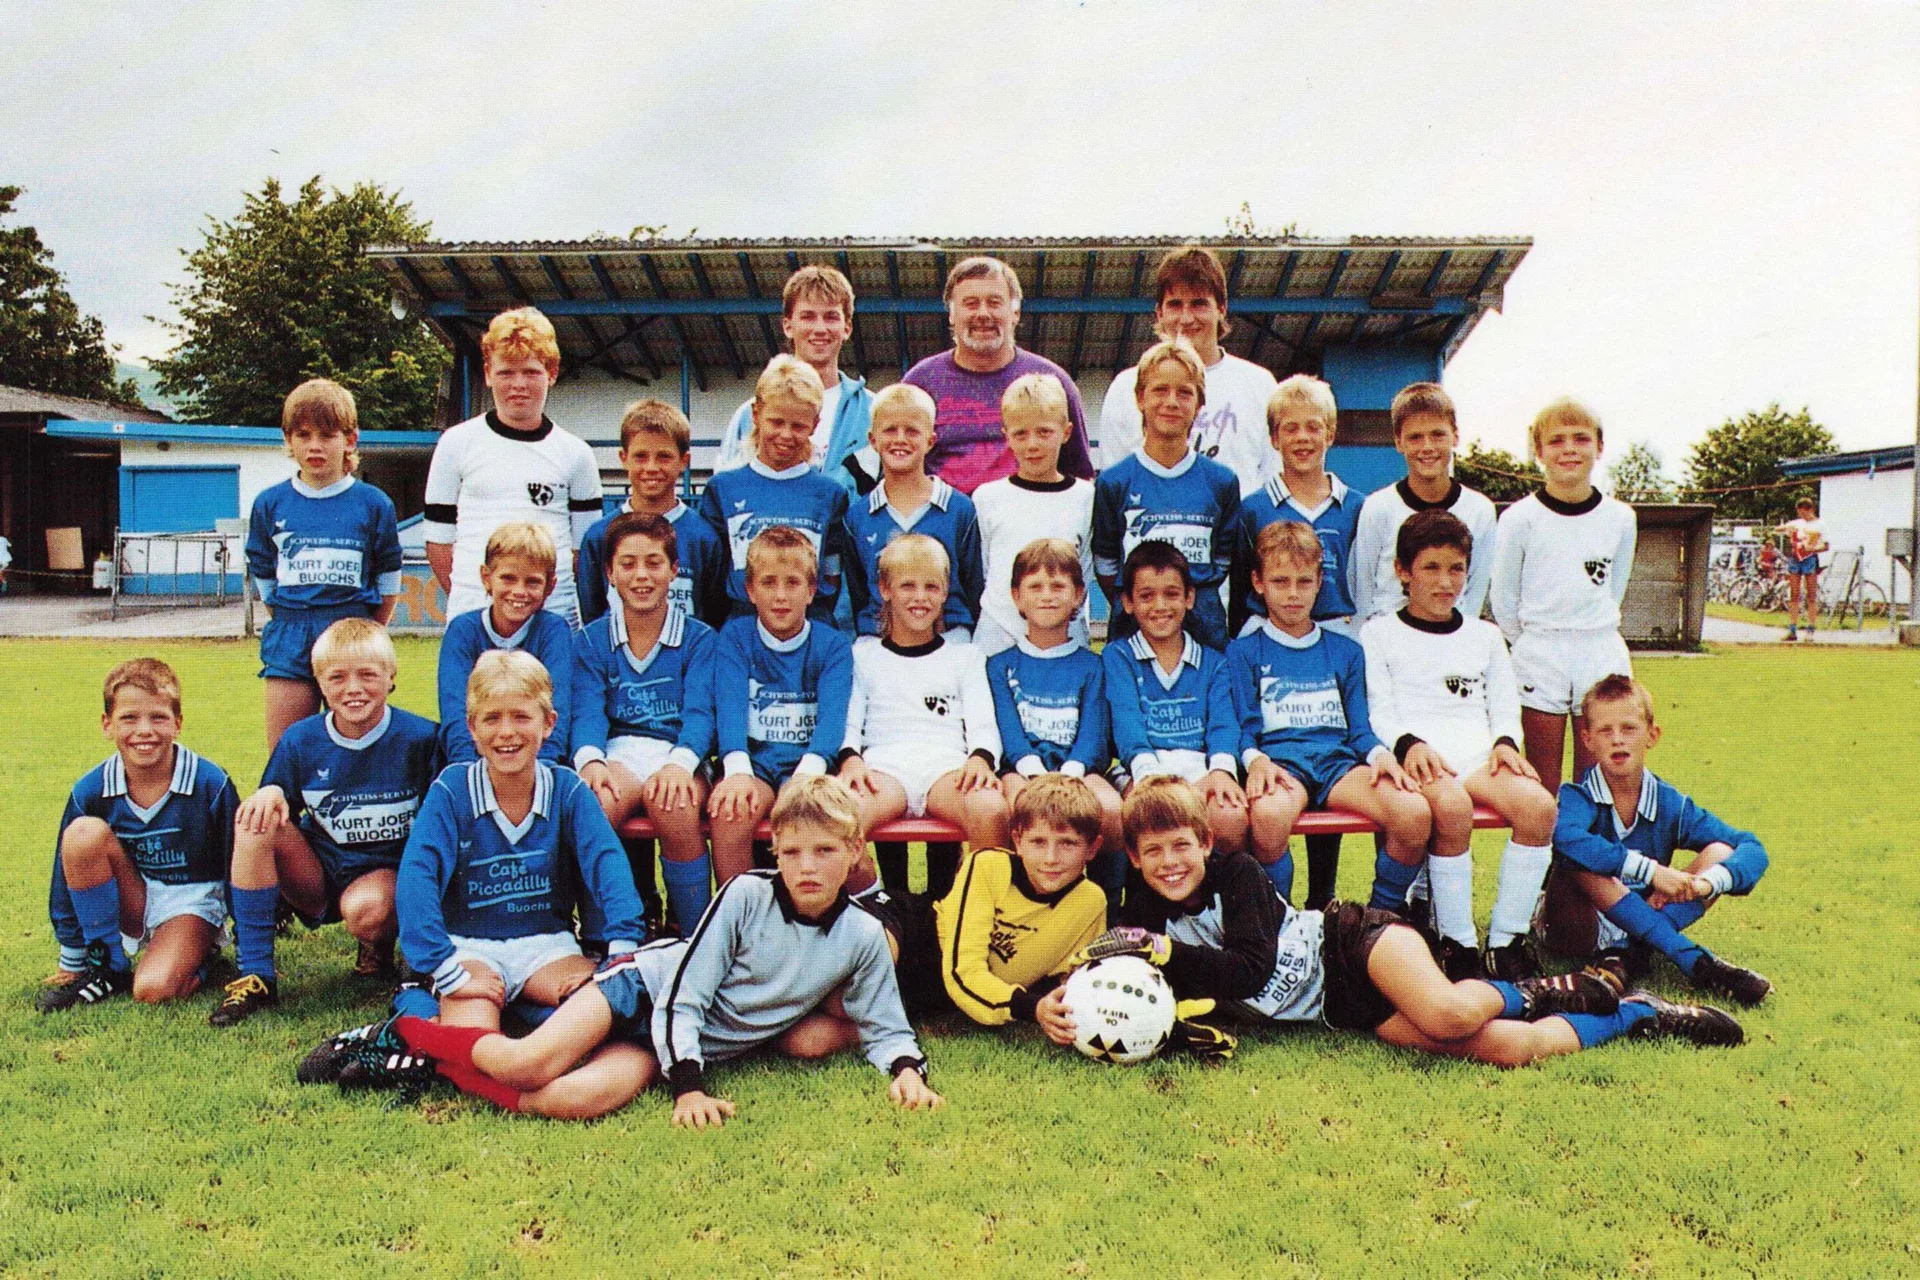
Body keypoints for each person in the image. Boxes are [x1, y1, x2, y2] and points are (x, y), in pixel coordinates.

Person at [1051, 779, 1743, 1067]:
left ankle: (1566, 988)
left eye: (1181, 846)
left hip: (1350, 942)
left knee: (1448, 1012)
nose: (1169, 863)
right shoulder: (1140, 913)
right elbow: (1124, 975)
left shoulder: (1236, 875)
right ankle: (1639, 1015)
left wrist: (1162, 950)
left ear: (1206, 842)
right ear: (1134, 860)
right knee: (1506, 1050)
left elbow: (1251, 970)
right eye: (1152, 853)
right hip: (1336, 1007)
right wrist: (1058, 1003)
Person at [657, 776, 943, 1130]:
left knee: (595, 1091)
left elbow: (887, 1025)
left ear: (855, 850)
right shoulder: (745, 895)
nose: (807, 866)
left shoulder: (864, 932)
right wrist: (689, 1089)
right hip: (642, 989)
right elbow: (685, 994)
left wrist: (908, 1073)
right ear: (776, 849)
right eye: (792, 852)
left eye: (824, 850)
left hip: (678, 1037)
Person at [395, 650, 646, 1037]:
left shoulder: (567, 789)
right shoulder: (452, 790)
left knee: (602, 1019)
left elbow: (607, 864)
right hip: (469, 947)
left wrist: (621, 949)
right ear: (472, 728)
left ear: (548, 724)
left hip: (547, 948)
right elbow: (417, 878)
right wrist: (445, 969)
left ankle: (524, 1012)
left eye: (521, 717)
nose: (507, 732)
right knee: (473, 1043)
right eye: (492, 718)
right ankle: (419, 998)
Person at [1359, 511, 1556, 982]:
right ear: (1403, 571)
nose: (1446, 582)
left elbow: (1504, 704)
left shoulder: (1485, 636)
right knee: (1450, 807)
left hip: (1478, 755)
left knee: (1539, 807)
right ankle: (1458, 943)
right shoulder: (1378, 634)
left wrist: (1506, 742)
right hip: (1422, 758)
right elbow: (1378, 708)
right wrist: (1408, 745)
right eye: (1431, 568)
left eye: (1456, 569)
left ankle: (1507, 942)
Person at [213, 619, 441, 1025]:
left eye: (367, 675)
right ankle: (256, 973)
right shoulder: (301, 739)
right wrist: (271, 791)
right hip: (319, 872)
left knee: (367, 910)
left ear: (391, 676)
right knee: (254, 820)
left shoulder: (421, 738)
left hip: (382, 879)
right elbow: (277, 795)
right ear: (318, 682)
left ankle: (386, 946)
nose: (353, 688)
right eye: (337, 677)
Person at [1226, 522, 1427, 907]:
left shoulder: (1346, 651)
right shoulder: (1243, 651)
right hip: (1282, 766)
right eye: (1280, 581)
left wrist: (1381, 756)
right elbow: (1243, 727)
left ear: (1320, 582)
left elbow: (1360, 729)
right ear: (1258, 582)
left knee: (1413, 811)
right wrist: (1256, 761)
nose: (1293, 593)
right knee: (1267, 816)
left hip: (1338, 766)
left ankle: (1379, 917)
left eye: (1304, 581)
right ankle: (1282, 923)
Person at [1230, 374, 1369, 908]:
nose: (1303, 438)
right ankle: (1274, 908)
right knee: (1284, 760)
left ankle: (1325, 894)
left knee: (1331, 750)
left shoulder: (1355, 505)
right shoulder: (1253, 507)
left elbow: (1360, 575)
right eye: (1290, 428)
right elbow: (1242, 581)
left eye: (1314, 427)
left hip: (1335, 634)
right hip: (1270, 636)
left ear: (1331, 433)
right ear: (1274, 437)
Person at [1553, 675, 1772, 1007]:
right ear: (1587, 740)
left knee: (1720, 851)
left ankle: (1627, 953)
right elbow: (1565, 839)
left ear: (1652, 736)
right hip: (1577, 927)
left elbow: (1752, 848)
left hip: (1643, 913)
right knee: (1581, 861)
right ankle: (1693, 960)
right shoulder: (1577, 796)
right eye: (1605, 731)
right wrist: (1651, 871)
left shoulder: (1669, 803)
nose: (1617, 740)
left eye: (1629, 729)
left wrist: (1706, 885)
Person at [39, 659, 239, 1012]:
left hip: (190, 901)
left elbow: (237, 863)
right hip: (135, 893)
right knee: (82, 834)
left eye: (158, 717)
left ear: (177, 724)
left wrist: (251, 954)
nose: (144, 730)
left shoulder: (209, 783)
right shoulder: (91, 789)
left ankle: (203, 956)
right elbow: (64, 873)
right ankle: (107, 967)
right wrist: (71, 960)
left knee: (152, 989)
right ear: (107, 725)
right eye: (129, 718)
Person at [571, 512, 718, 933]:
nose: (641, 575)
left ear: (674, 571)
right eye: (628, 564)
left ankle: (690, 931)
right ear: (609, 573)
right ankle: (606, 935)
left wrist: (679, 764)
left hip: (679, 755)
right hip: (619, 754)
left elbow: (700, 714)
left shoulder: (699, 638)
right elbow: (586, 712)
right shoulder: (591, 640)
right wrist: (591, 762)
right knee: (593, 805)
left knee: (674, 803)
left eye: (654, 563)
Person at [839, 535, 1007, 899]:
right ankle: (878, 907)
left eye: (931, 587)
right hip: (883, 771)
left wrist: (980, 758)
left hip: (946, 771)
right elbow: (849, 721)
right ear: (885, 589)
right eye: (907, 586)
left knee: (991, 809)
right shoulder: (863, 656)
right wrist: (850, 758)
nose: (920, 597)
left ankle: (972, 911)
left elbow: (982, 724)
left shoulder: (965, 657)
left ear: (945, 591)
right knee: (836, 819)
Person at [1488, 397, 1637, 795]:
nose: (1569, 449)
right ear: (1538, 452)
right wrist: (1534, 644)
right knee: (1542, 786)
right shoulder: (1519, 519)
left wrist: (1588, 630)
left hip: (1600, 649)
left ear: (1599, 447)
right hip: (1540, 652)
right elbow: (1503, 599)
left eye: (1580, 438)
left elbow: (1614, 590)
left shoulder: (1621, 518)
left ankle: (1590, 841)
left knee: (1599, 785)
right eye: (1556, 440)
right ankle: (1548, 841)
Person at [245, 378, 403, 750]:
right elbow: (265, 574)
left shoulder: (373, 503)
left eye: (328, 435)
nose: (315, 446)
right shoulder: (270, 503)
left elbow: (388, 576)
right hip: (291, 633)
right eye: (303, 435)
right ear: (288, 439)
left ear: (350, 440)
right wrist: (293, 617)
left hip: (351, 627)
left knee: (357, 752)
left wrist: (366, 633)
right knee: (286, 752)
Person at [423, 306, 604, 626]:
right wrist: (478, 600)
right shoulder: (455, 443)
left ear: (552, 373)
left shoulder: (577, 454)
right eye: (506, 372)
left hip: (554, 620)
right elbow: (438, 543)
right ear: (488, 374)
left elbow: (583, 553)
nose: (518, 384)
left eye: (531, 372)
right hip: (474, 618)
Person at [709, 528, 857, 886]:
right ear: (750, 589)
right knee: (730, 813)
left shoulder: (832, 645)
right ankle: (738, 914)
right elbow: (729, 707)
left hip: (811, 767)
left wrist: (807, 775)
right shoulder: (735, 637)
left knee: (817, 818)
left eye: (792, 583)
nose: (780, 596)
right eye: (768, 583)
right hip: (756, 765)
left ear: (811, 590)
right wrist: (737, 769)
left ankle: (832, 910)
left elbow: (832, 720)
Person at [985, 539, 1123, 891]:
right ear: (1016, 596)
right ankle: (1012, 899)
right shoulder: (999, 665)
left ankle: (1105, 905)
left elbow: (1093, 734)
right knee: (1014, 806)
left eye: (1058, 586)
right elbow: (1009, 732)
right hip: (1020, 771)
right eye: (1035, 587)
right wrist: (1034, 773)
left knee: (1110, 808)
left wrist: (1071, 774)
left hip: (1079, 769)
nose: (1047, 596)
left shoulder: (1093, 665)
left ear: (1079, 595)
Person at [1092, 337, 1241, 650]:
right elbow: (1106, 563)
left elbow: (1223, 560)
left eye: (1184, 392)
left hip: (1204, 636)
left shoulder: (1222, 482)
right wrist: (1141, 599)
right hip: (1132, 637)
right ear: (1140, 398)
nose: (1171, 402)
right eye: (1160, 390)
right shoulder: (1114, 481)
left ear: (1199, 404)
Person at [902, 256, 1095, 495]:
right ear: (951, 315)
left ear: (1015, 313)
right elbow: (897, 470)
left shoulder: (1053, 383)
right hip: (944, 517)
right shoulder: (919, 384)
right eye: (971, 304)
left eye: (994, 303)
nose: (983, 314)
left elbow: (1079, 475)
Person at [1097, 244, 1280, 494]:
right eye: (1175, 305)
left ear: (1221, 309)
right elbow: (1115, 486)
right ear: (1159, 313)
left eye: (1198, 304)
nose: (1186, 318)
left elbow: (1275, 480)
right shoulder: (1126, 387)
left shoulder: (1260, 385)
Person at [1102, 541, 1246, 853]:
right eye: (1146, 596)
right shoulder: (1118, 656)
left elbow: (1223, 724)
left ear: (1189, 598)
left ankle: (1218, 885)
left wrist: (1220, 770)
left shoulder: (1214, 662)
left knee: (1231, 817)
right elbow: (1127, 723)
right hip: (1141, 770)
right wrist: (1150, 778)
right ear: (1127, 602)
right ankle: (1124, 886)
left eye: (1171, 594)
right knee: (1136, 815)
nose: (1160, 606)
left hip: (1199, 770)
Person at [933, 775, 1107, 1030]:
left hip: (956, 994)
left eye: (1068, 843)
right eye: (1038, 842)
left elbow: (1071, 983)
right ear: (1018, 841)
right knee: (878, 942)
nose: (1051, 858)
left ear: (1092, 848)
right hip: (923, 947)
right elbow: (962, 971)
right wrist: (1028, 1007)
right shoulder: (987, 865)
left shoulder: (1091, 902)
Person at [698, 355, 853, 625]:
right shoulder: (723, 489)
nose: (786, 435)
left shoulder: (830, 494)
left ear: (815, 425)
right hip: (741, 629)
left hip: (810, 627)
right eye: (776, 422)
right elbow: (711, 579)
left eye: (798, 426)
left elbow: (831, 576)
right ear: (756, 414)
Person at [841, 383, 985, 641]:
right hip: (878, 640)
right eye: (890, 430)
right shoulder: (858, 516)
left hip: (949, 638)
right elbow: (859, 592)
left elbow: (973, 585)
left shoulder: (959, 509)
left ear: (930, 441)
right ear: (873, 440)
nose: (900, 439)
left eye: (912, 431)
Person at [1349, 381, 1499, 626]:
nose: (1427, 447)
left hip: (1451, 639)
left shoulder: (1480, 510)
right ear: (1399, 442)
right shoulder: (1378, 508)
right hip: (1389, 638)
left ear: (1455, 436)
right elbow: (1361, 590)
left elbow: (1475, 593)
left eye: (1437, 435)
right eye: (1415, 437)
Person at [970, 373, 1097, 655]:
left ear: (1066, 432)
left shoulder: (1085, 497)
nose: (1032, 444)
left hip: (1065, 640)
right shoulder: (987, 498)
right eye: (1020, 434)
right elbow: (983, 571)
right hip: (997, 640)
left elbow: (1085, 569)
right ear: (1006, 436)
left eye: (1044, 432)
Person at [712, 265, 875, 484]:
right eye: (808, 316)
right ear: (788, 326)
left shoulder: (872, 412)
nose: (820, 328)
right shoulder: (751, 414)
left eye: (831, 317)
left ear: (847, 328)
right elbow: (724, 491)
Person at [576, 399, 727, 628]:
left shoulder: (704, 538)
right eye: (640, 456)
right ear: (623, 458)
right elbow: (592, 614)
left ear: (684, 461)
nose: (651, 467)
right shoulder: (599, 535)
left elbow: (714, 615)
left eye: (664, 456)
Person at [437, 522, 575, 766]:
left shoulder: (554, 631)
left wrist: (540, 771)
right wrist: (470, 769)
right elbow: (455, 711)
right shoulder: (463, 631)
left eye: (532, 582)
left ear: (550, 586)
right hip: (474, 762)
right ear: (486, 577)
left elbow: (558, 711)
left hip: (537, 764)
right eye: (508, 578)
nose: (519, 591)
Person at [1780, 496, 1827, 641]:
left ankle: (1810, 630)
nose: (1802, 516)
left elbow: (1825, 546)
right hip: (1796, 558)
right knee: (1794, 594)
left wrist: (1811, 548)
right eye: (1800, 513)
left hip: (1810, 559)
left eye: (1804, 513)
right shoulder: (1798, 523)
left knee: (1811, 595)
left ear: (1811, 510)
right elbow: (1780, 529)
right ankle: (1792, 629)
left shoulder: (1820, 524)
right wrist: (1787, 529)